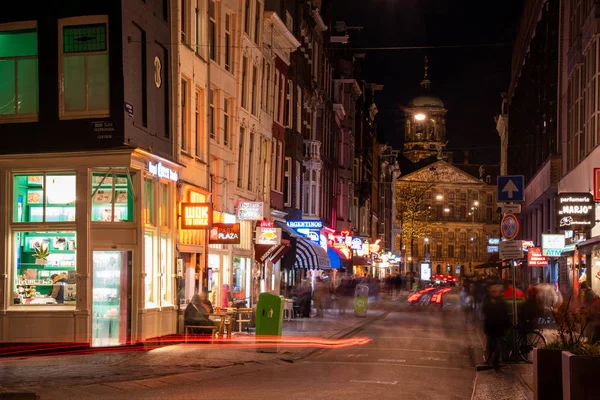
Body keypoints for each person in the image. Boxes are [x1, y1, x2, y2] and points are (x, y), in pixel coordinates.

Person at [482, 284, 510, 369]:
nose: (493, 293)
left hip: (498, 327)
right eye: (492, 292)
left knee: (497, 344)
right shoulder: (488, 301)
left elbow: (506, 315)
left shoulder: (502, 302)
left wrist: (507, 326)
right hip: (491, 327)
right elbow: (484, 311)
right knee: (489, 344)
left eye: (495, 291)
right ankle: (489, 359)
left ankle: (495, 361)